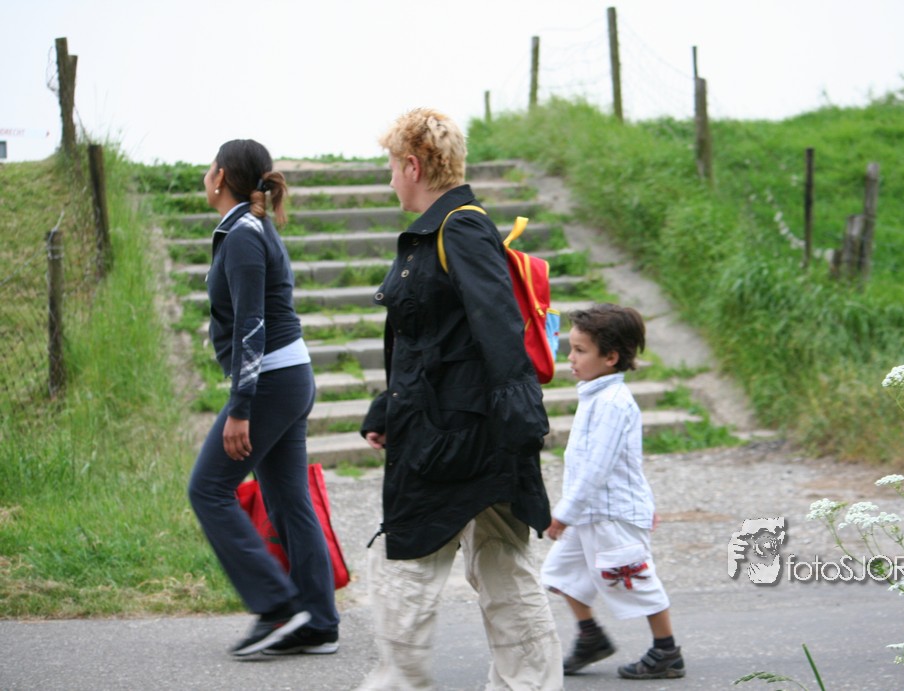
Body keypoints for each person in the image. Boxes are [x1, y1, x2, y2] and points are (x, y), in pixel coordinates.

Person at [358, 108, 564, 690]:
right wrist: (388, 409)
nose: (390, 179)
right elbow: (428, 341)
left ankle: (399, 683)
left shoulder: (460, 229)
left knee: (407, 567)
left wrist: (523, 425)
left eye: (391, 167)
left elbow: (498, 326)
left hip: (457, 440)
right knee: (503, 570)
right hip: (455, 428)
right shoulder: (436, 233)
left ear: (413, 165)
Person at [187, 139, 340, 657]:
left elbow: (251, 327)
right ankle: (318, 622)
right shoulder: (252, 228)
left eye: (209, 167)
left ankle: (277, 606)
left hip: (272, 381)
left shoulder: (243, 236)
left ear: (220, 176)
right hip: (287, 376)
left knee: (208, 490)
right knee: (288, 499)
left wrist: (240, 408)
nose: (206, 174)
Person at [541, 303, 686, 680]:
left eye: (580, 350)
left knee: (634, 579)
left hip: (610, 514)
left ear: (611, 357)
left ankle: (667, 651)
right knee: (559, 574)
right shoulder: (595, 395)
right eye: (571, 348)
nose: (570, 358)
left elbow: (598, 467)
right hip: (592, 513)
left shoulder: (612, 403)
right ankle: (591, 637)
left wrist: (564, 513)